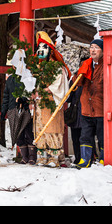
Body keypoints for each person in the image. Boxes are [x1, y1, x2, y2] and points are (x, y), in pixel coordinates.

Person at [76, 38, 112, 168]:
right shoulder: (86, 64)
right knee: (85, 135)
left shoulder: (108, 64)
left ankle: (104, 159)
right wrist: (80, 73)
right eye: (91, 47)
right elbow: (77, 84)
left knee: (103, 136)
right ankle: (85, 160)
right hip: (87, 107)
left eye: (96, 48)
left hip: (102, 108)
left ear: (103, 51)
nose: (92, 50)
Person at [33, 31, 70, 167]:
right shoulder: (37, 67)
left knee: (52, 127)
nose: (41, 50)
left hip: (51, 100)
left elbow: (59, 83)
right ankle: (41, 155)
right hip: (39, 101)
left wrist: (47, 89)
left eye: (44, 47)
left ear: (50, 49)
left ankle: (54, 157)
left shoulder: (57, 67)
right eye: (39, 47)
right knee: (39, 128)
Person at [1, 72, 35, 164]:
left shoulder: (28, 77)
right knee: (17, 134)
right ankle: (24, 157)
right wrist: (4, 111)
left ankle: (32, 157)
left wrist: (25, 100)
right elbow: (6, 96)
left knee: (29, 132)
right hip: (13, 108)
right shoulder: (10, 79)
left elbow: (31, 92)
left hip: (26, 108)